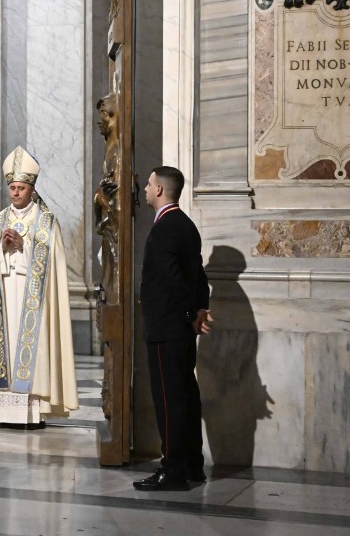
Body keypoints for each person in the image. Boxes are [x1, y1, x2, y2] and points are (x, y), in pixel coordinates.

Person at [0, 146, 77, 427]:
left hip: (33, 300)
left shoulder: (46, 222)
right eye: (12, 187)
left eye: (21, 188)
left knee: (31, 352)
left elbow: (54, 260)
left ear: (31, 189)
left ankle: (32, 414)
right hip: (3, 293)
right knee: (6, 348)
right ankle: (3, 412)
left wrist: (25, 247)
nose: (15, 193)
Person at [133, 166, 213, 491]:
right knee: (186, 397)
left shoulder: (166, 228)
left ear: (161, 191)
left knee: (169, 400)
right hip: (180, 328)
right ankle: (192, 465)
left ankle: (173, 470)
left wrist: (188, 310)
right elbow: (198, 273)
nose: (146, 189)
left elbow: (174, 280)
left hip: (167, 328)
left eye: (149, 184)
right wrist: (199, 309)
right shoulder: (186, 225)